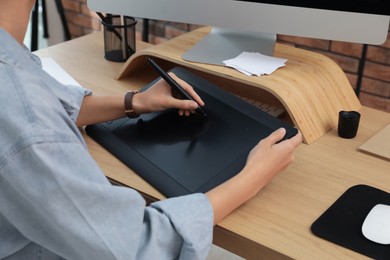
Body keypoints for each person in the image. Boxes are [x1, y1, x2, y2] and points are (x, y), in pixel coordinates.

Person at [0, 1, 302, 259]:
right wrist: (252, 178)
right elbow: (138, 246)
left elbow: (52, 100)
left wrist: (134, 101)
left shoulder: (13, 63)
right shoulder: (20, 106)